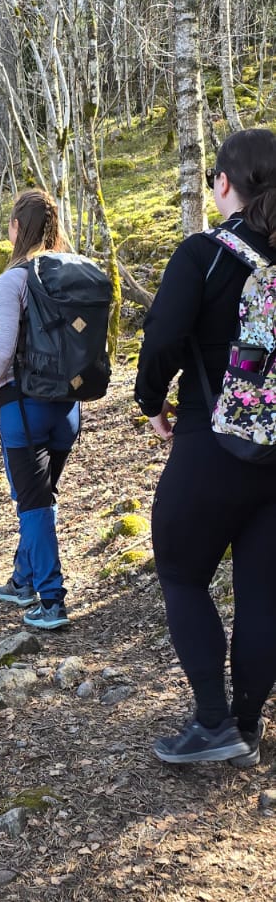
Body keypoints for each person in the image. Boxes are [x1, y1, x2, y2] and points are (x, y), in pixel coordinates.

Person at [135, 127, 276, 766]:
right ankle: (247, 724)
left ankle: (215, 722)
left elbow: (163, 337)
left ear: (223, 183)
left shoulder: (205, 253)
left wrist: (151, 403)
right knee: (264, 593)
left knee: (182, 573)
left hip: (213, 441)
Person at [0, 190, 81, 627]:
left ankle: (51, 599)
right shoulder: (73, 269)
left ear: (18, 226)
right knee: (39, 495)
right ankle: (23, 579)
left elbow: (3, 350)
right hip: (68, 406)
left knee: (33, 504)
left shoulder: (15, 278)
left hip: (24, 407)